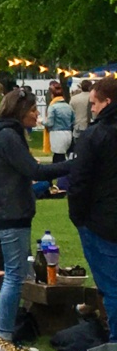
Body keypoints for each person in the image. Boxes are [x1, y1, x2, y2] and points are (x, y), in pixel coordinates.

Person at [0, 87, 70, 351]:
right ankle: (3, 336)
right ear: (20, 112)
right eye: (32, 110)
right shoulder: (8, 136)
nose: (36, 115)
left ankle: (6, 333)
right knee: (15, 276)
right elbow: (35, 170)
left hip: (7, 211)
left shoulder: (2, 135)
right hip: (10, 214)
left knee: (16, 273)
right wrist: (74, 165)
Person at [64, 77, 117, 332]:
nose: (92, 108)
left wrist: (78, 217)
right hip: (103, 215)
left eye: (94, 103)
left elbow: (79, 181)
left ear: (107, 102)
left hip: (101, 221)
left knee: (112, 288)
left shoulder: (96, 135)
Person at [46, 82, 75, 162]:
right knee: (62, 156)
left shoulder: (53, 107)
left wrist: (41, 122)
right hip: (68, 133)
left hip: (57, 134)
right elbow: (73, 120)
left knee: (58, 156)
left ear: (52, 95)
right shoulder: (68, 106)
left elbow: (50, 123)